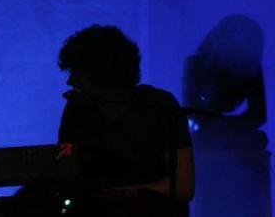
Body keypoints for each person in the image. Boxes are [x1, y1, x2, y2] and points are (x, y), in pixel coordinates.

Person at [57, 25, 195, 215]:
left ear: (101, 73)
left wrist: (130, 193)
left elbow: (183, 186)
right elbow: (65, 174)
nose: (70, 81)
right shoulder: (77, 109)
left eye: (77, 73)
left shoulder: (159, 105)